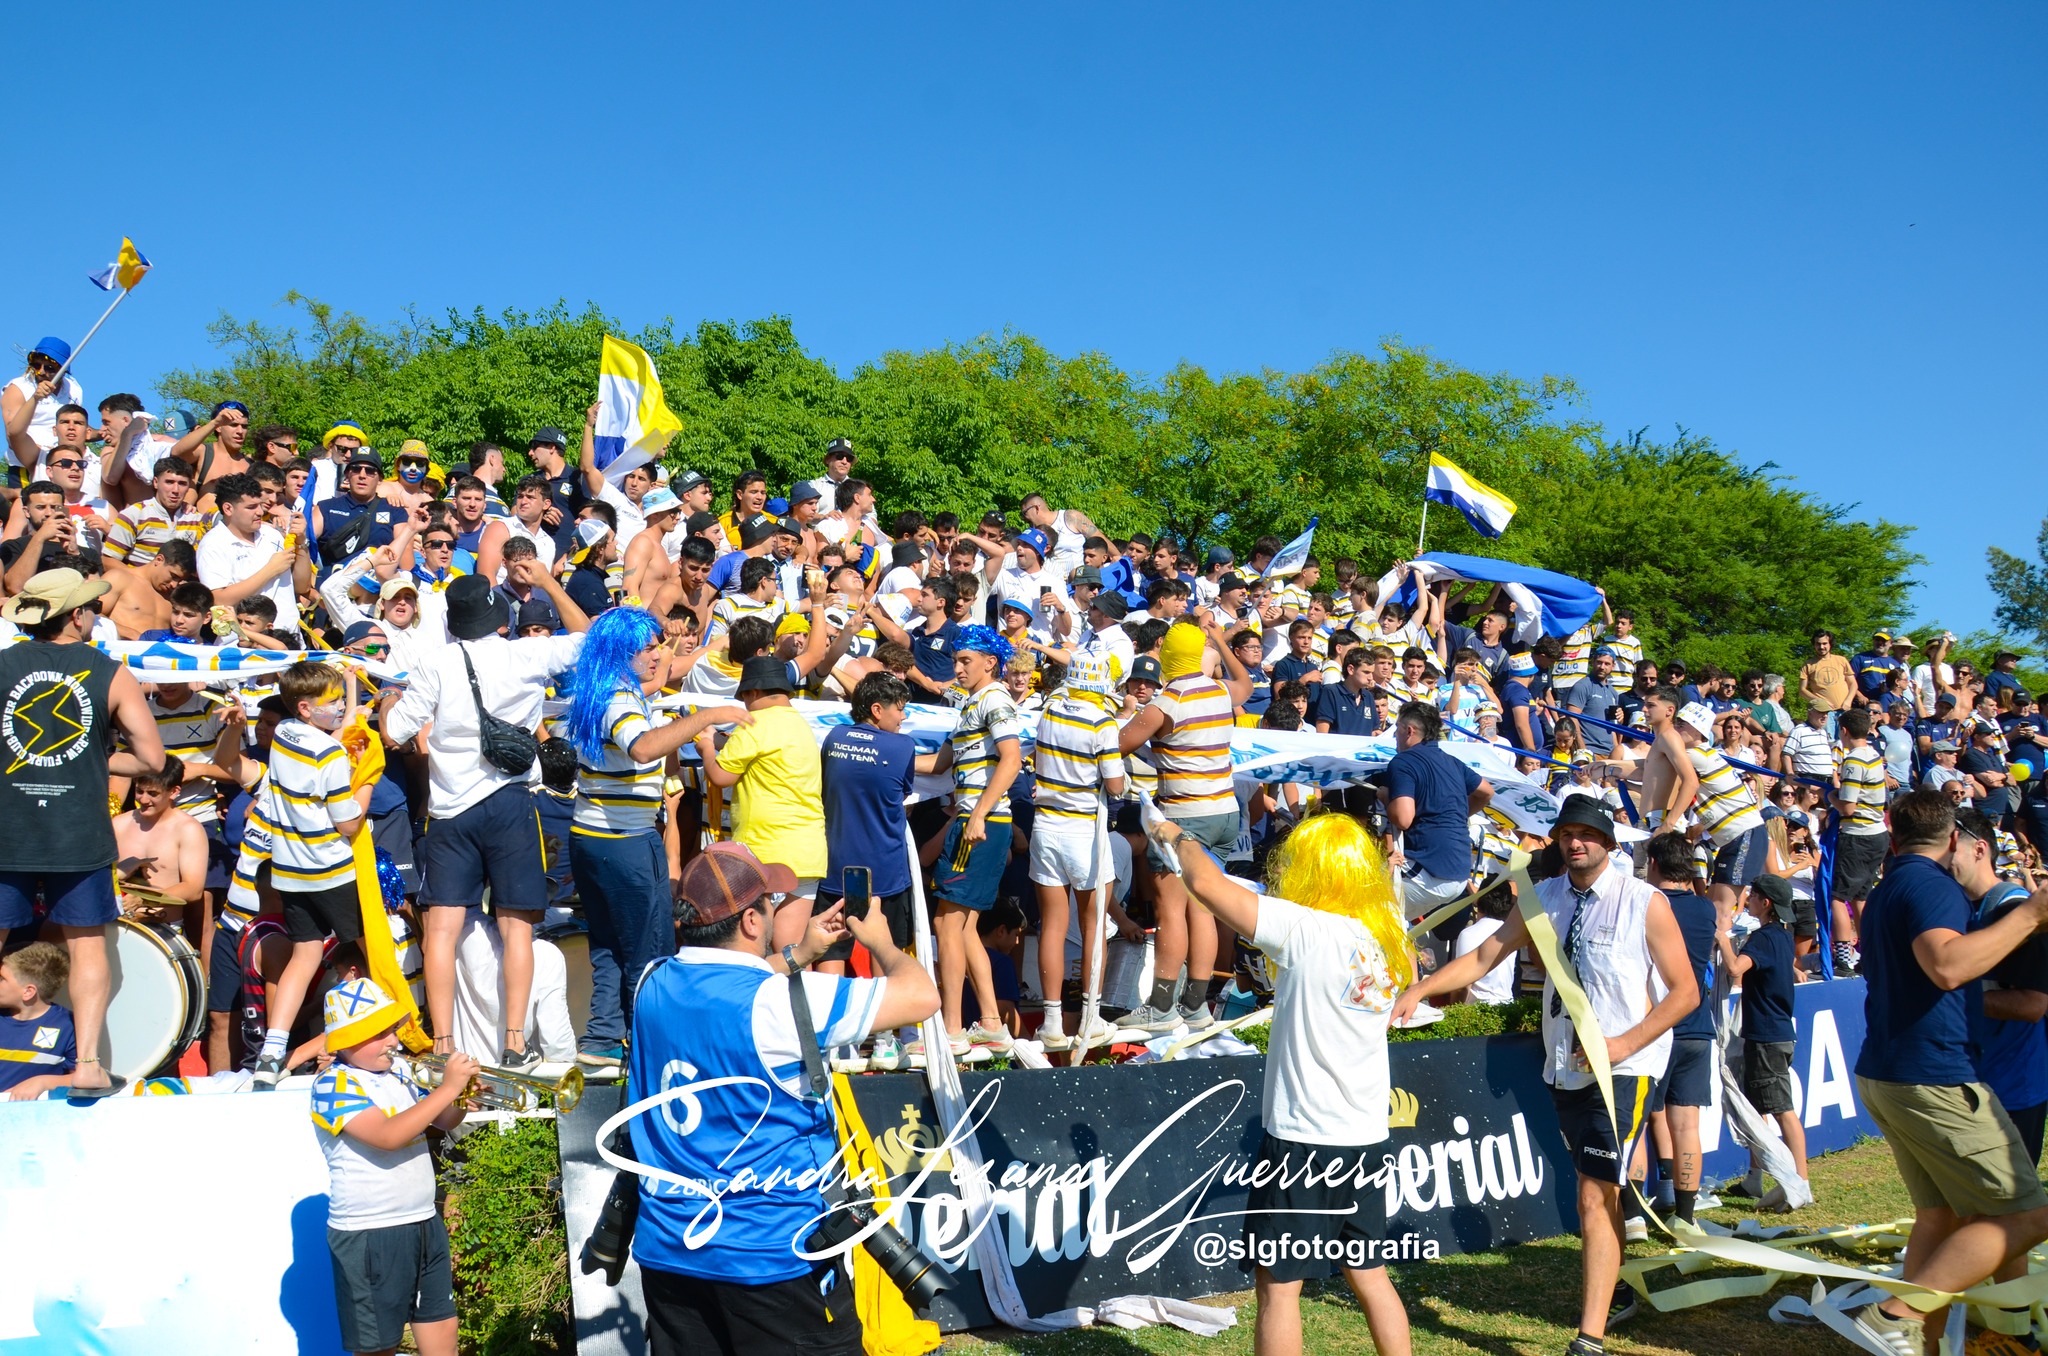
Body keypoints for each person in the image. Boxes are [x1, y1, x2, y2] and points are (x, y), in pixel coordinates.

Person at [1396, 796, 1697, 1352]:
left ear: (1609, 842)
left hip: (1626, 1068)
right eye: (1566, 834)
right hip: (1562, 1065)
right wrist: (1419, 988)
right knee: (1598, 1188)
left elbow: (1686, 993)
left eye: (1587, 833)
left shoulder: (1643, 902)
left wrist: (1620, 1044)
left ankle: (1590, 1339)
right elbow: (1487, 954)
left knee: (1591, 1191)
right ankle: (1619, 1291)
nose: (1575, 842)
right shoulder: (1545, 898)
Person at [625, 841, 940, 1356]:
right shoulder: (782, 1000)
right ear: (751, 921)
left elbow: (726, 983)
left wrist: (799, 955)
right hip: (773, 1256)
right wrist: (881, 943)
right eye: (772, 902)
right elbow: (922, 997)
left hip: (670, 1250)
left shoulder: (651, 981)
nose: (779, 910)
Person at [1150, 810, 1413, 1356]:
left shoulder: (1305, 929)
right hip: (1365, 1136)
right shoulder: (1388, 940)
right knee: (1369, 1273)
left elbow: (1203, 883)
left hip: (1304, 1139)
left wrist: (1171, 832)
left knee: (1279, 1286)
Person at [1845, 790, 2048, 1356]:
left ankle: (1921, 1345)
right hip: (1932, 1075)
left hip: (1891, 1071)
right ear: (1955, 838)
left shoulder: (1889, 887)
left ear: (1892, 837)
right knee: (2029, 1215)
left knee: (1938, 1218)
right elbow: (1948, 966)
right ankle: (1896, 1314)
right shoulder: (1932, 885)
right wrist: (2032, 914)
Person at [384, 574, 589, 1071]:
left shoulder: (434, 662)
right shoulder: (525, 654)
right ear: (499, 616)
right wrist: (545, 581)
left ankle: (442, 1041)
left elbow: (394, 733)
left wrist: (389, 698)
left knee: (442, 931)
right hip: (512, 803)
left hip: (451, 811)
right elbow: (591, 637)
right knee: (517, 930)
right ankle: (516, 1040)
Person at [0, 569, 166, 1094]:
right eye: (92, 607)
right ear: (76, 615)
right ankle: (89, 1064)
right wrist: (95, 756)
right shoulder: (110, 673)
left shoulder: (2, 667)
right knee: (88, 945)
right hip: (78, 831)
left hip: (9, 828)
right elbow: (151, 758)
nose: (97, 613)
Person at [561, 608, 738, 1069]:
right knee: (650, 949)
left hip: (593, 838)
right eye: (647, 648)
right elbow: (642, 746)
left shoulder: (601, 689)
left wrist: (676, 654)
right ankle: (653, 1051)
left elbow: (652, 687)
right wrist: (709, 716)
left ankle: (601, 1042)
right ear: (622, 654)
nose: (656, 654)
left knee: (609, 947)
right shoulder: (618, 699)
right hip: (624, 842)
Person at [311, 977, 476, 1356]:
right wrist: (448, 1088)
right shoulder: (331, 1085)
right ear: (349, 1039)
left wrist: (463, 1095)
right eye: (381, 1032)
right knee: (378, 1347)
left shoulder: (400, 1073)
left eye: (392, 1029)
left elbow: (444, 1121)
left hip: (423, 1221)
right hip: (370, 1232)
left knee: (442, 1325)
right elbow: (388, 1136)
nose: (394, 1040)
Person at [1117, 618, 1255, 1033]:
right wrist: (1219, 640)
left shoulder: (1168, 700)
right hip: (1225, 814)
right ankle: (1195, 1005)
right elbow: (1246, 682)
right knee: (1204, 909)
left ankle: (1160, 1008)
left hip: (1182, 816)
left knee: (1171, 910)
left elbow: (1119, 743)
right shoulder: (1220, 690)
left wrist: (1127, 715)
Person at [250, 662, 381, 1088]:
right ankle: (391, 1034)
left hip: (290, 872)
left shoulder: (285, 732)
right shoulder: (330, 755)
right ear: (306, 707)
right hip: (331, 871)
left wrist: (347, 685)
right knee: (372, 951)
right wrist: (368, 781)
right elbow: (348, 823)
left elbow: (331, 729)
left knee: (303, 958)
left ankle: (272, 1052)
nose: (342, 707)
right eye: (334, 703)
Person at [921, 626, 1028, 1059]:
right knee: (963, 928)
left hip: (978, 823)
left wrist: (978, 814)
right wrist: (883, 756)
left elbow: (1013, 758)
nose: (957, 667)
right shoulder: (972, 703)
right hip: (981, 822)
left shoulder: (995, 698)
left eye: (966, 660)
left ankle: (950, 1028)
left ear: (990, 662)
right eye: (956, 660)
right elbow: (939, 763)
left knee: (947, 924)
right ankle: (990, 1024)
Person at [693, 657, 830, 948]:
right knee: (791, 953)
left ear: (753, 693)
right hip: (808, 852)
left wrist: (707, 748)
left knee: (757, 949)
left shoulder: (753, 725)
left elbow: (720, 776)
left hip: (765, 854)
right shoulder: (801, 725)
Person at [1028, 656, 1127, 1056]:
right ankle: (1090, 1016)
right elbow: (1116, 785)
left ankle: (1052, 1021)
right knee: (1093, 926)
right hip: (1083, 830)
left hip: (1045, 827)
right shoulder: (1102, 722)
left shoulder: (1050, 708)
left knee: (1052, 925)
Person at [1952, 807, 2048, 1169]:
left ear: (1979, 850)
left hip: (2014, 1088)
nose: (1942, 857)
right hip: (1971, 1083)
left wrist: (1953, 997)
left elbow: (2032, 1005)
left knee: (2011, 1214)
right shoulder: (1954, 907)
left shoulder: (2015, 912)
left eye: (1951, 847)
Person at [1716, 874, 1808, 1206]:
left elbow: (1735, 968)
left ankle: (1800, 1183)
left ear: (1765, 903)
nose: (1747, 900)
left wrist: (1723, 938)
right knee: (1757, 1110)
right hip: (1773, 1033)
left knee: (1783, 1110)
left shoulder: (1763, 938)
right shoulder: (1782, 936)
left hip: (1768, 1037)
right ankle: (1754, 1179)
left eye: (1752, 896)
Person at [1382, 702, 1492, 932]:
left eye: (1397, 730)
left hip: (1429, 871)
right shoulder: (1452, 761)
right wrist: (1459, 814)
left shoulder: (1403, 761)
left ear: (1409, 731)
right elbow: (1486, 791)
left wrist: (1384, 797)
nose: (1395, 737)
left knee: (1366, 906)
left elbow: (1403, 818)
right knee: (1396, 926)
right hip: (1460, 874)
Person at [197, 471, 311, 634]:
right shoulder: (213, 544)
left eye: (259, 505)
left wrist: (301, 543)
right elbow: (218, 599)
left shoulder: (272, 534)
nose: (259, 512)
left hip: (289, 637)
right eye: (251, 507)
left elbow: (302, 586)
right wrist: (270, 570)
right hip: (243, 643)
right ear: (228, 508)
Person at [1831, 707, 1891, 973]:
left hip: (1859, 835)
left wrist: (1830, 797)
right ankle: (1869, 952)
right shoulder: (1874, 755)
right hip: (1877, 833)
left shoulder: (1854, 760)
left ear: (1844, 730)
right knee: (1860, 896)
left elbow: (1847, 808)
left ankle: (1843, 956)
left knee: (1838, 896)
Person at [0, 943, 77, 1100]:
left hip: (33, 1117)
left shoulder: (68, 1025)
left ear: (28, 992)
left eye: (1, 979)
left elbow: (83, 1077)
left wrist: (43, 1082)